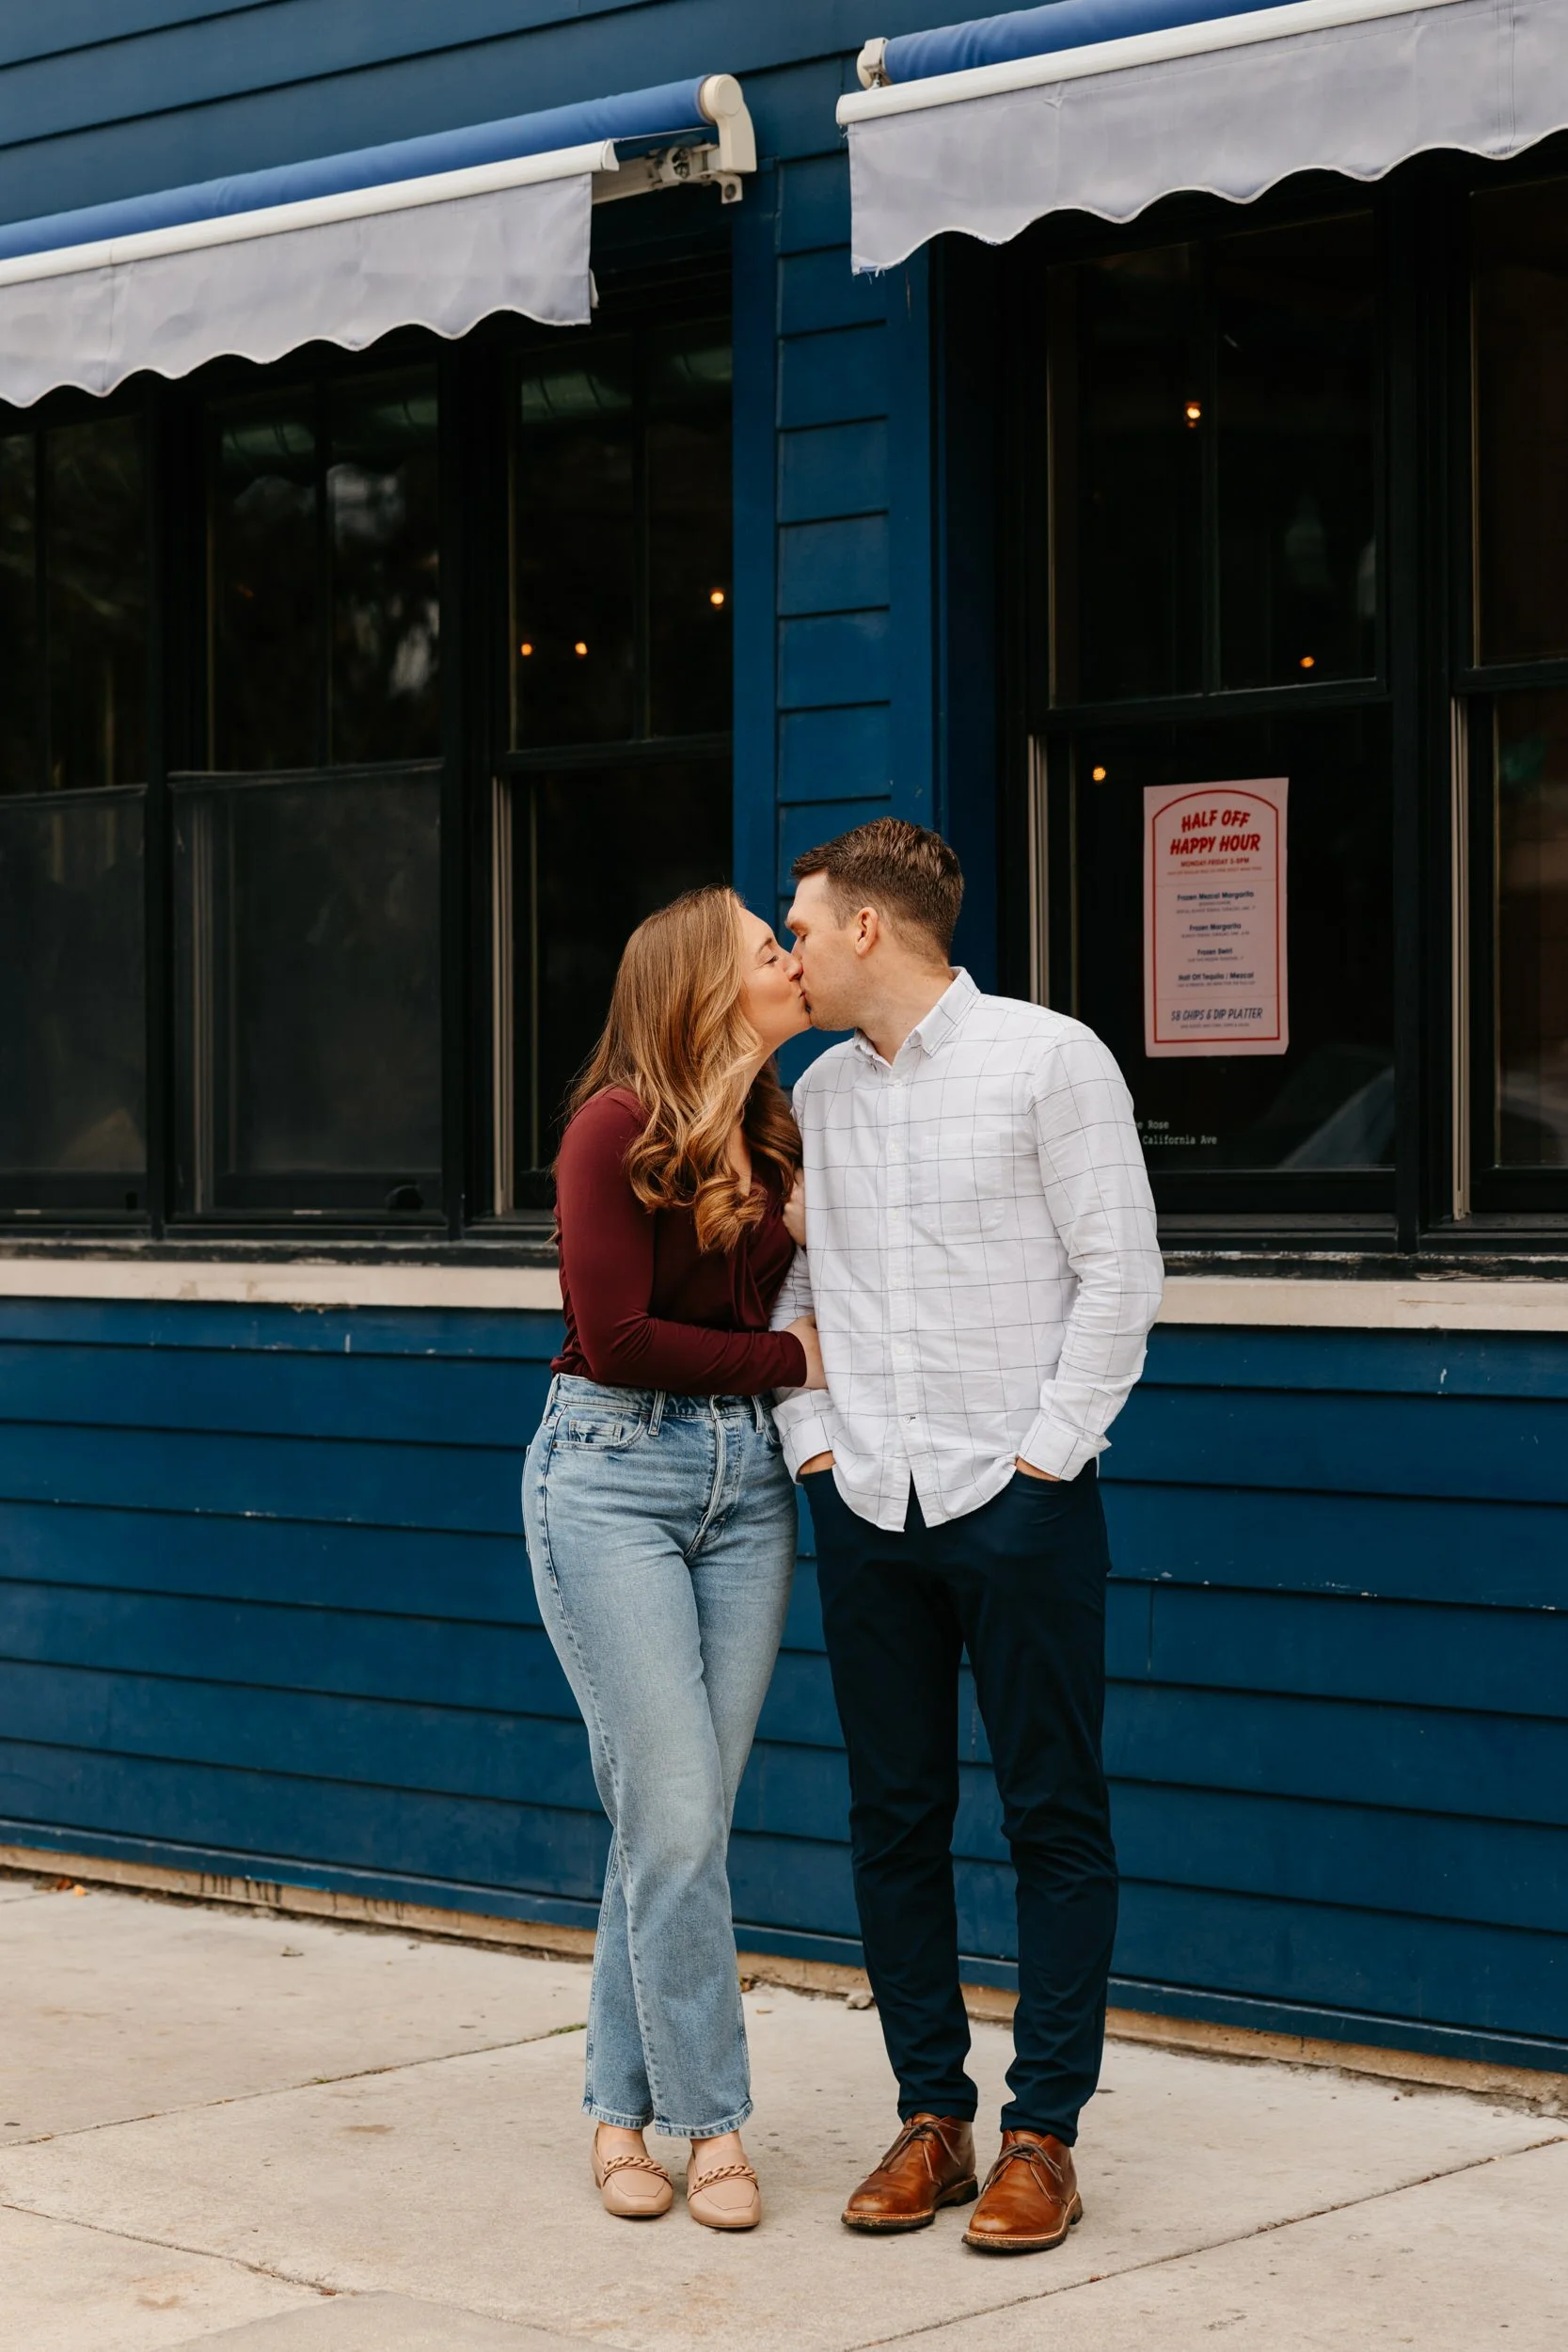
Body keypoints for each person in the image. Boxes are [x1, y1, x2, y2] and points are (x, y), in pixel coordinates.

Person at [769, 818, 1163, 2257]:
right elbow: (792, 1278)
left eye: (798, 924)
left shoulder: (1050, 1060)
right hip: (867, 1503)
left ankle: (1041, 2136)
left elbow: (1120, 1275)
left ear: (866, 927)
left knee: (1053, 1815)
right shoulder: (817, 1091)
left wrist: (1042, 1464)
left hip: (1018, 1507)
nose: (786, 949)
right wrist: (813, 1448)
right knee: (894, 1823)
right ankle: (929, 2117)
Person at [522, 886, 824, 2233]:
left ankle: (611, 2111)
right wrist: (791, 1362)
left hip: (748, 1494)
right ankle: (711, 2128)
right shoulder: (610, 1130)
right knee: (681, 1820)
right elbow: (625, 1335)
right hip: (609, 1481)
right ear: (706, 985)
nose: (794, 959)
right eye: (771, 949)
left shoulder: (771, 1125)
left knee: (670, 1822)